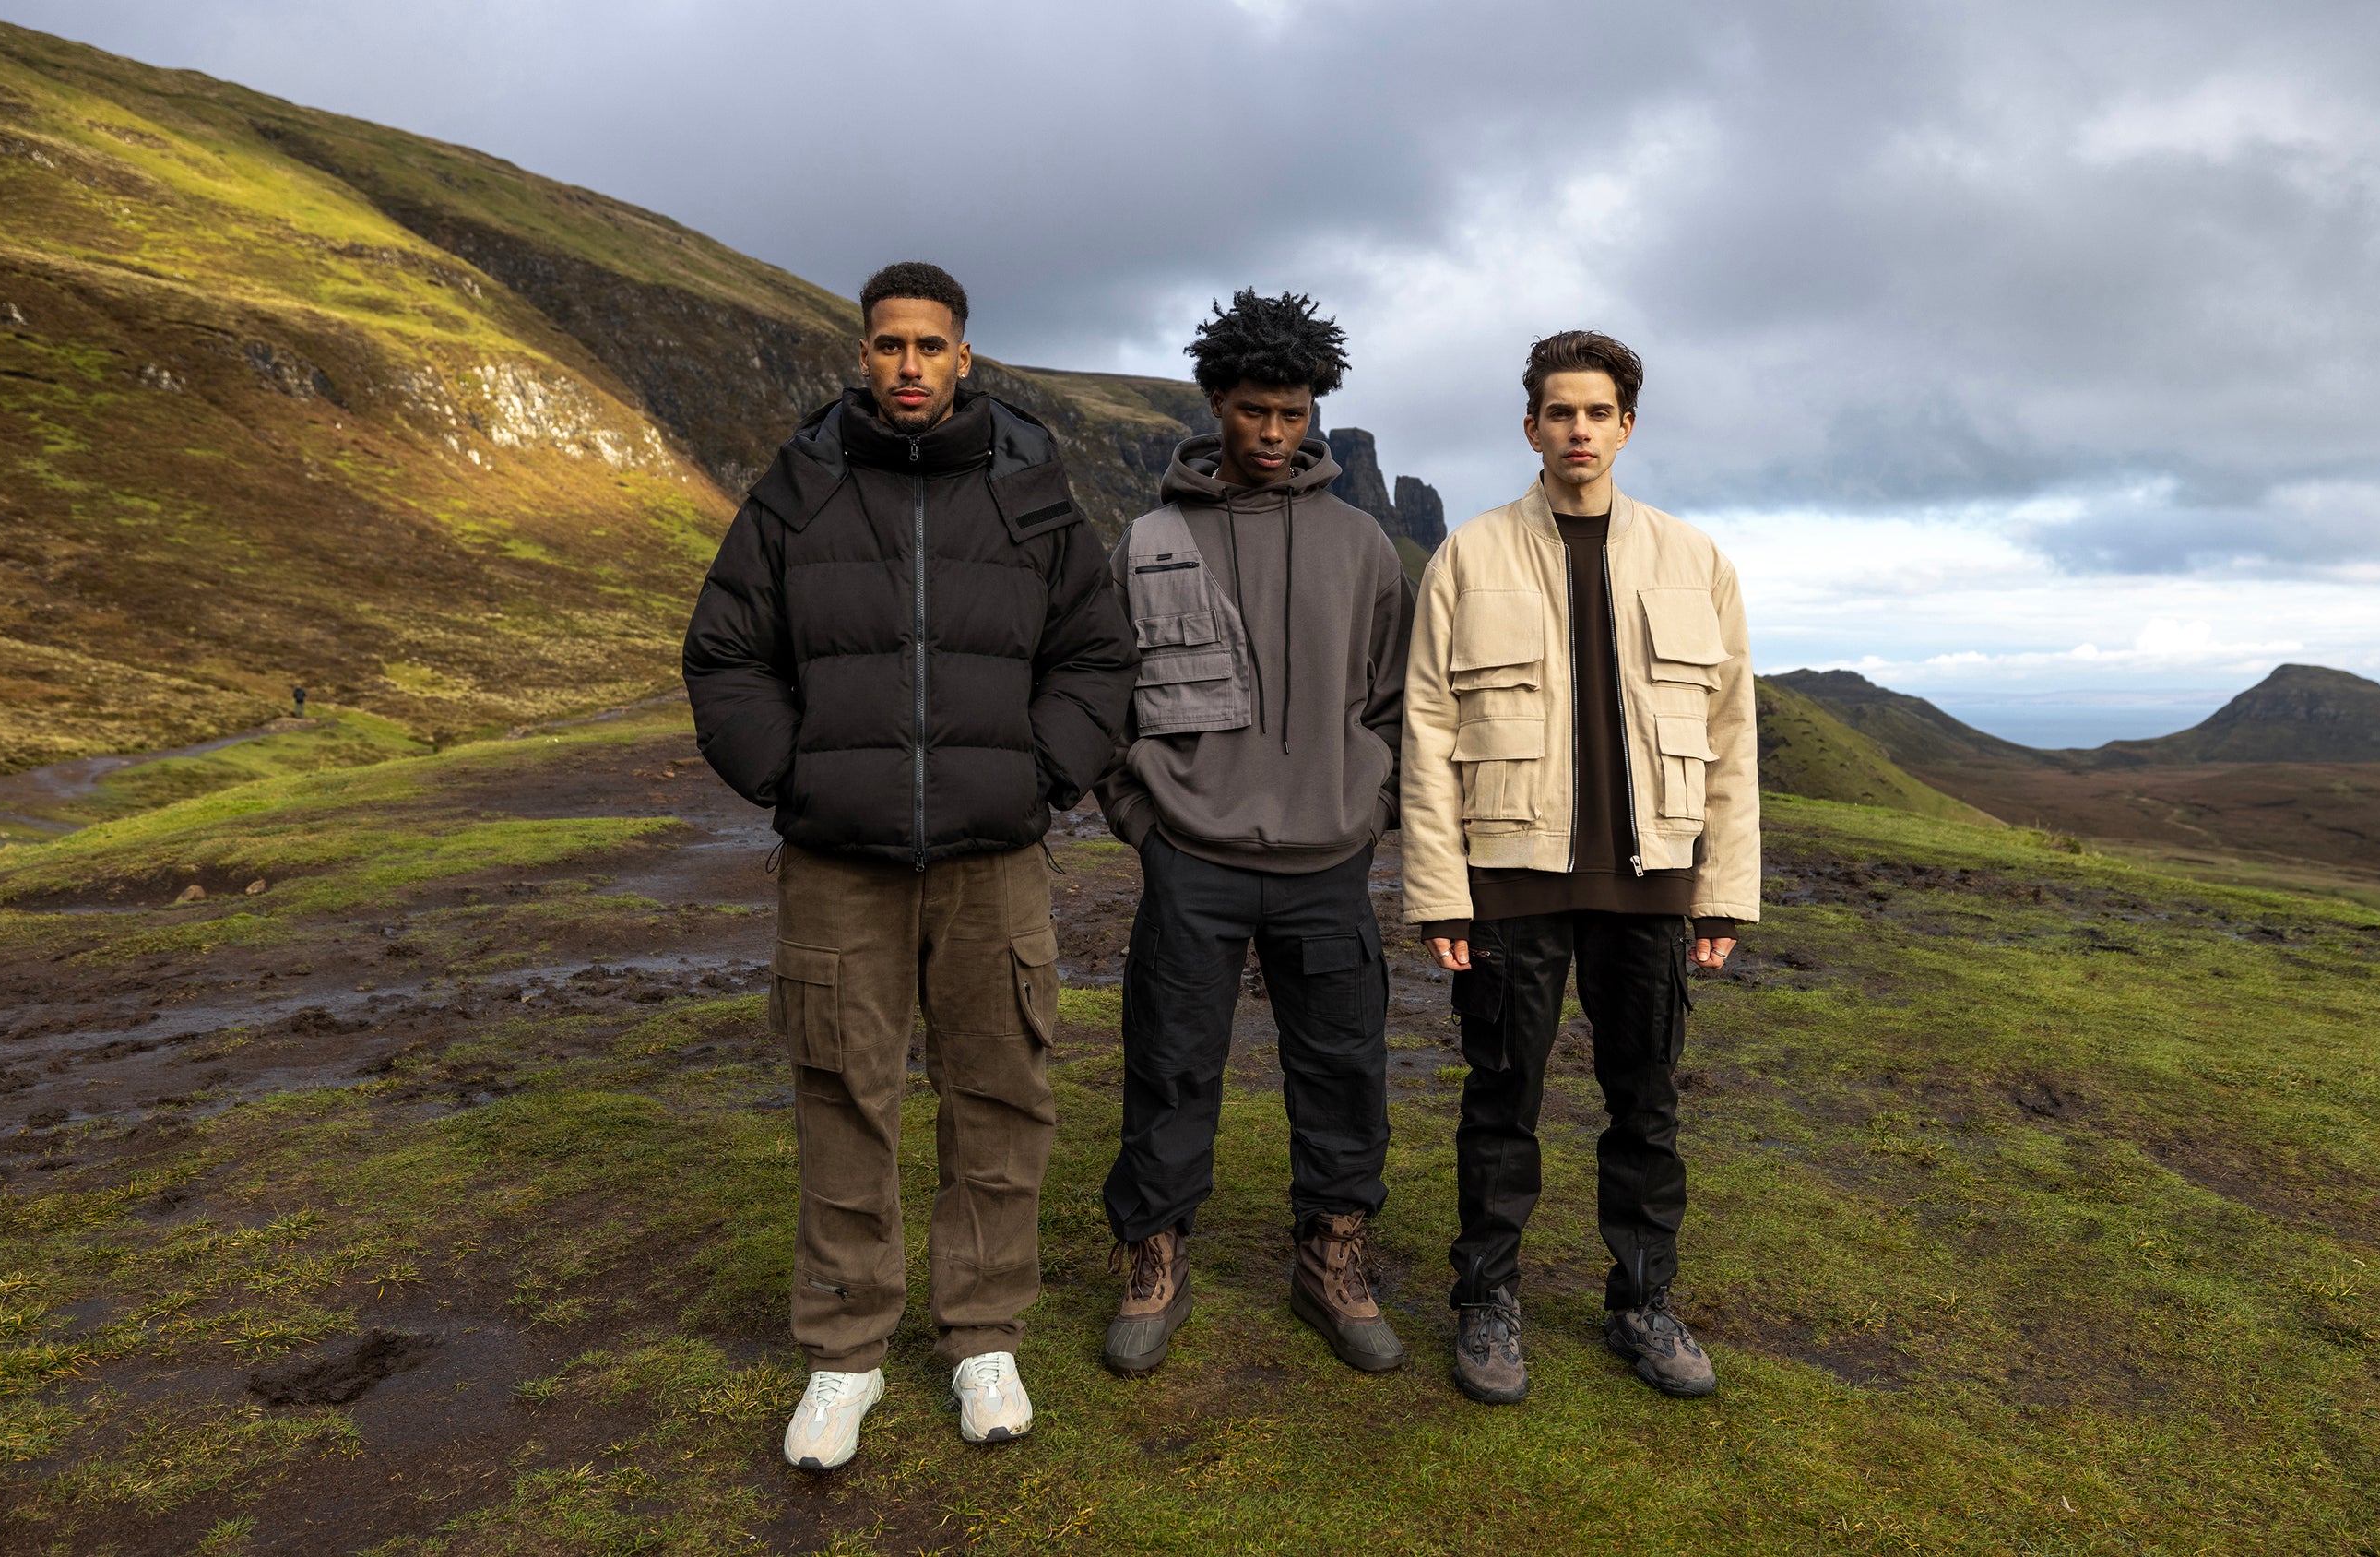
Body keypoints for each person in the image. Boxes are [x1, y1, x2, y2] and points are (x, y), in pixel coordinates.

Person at [682, 262, 1138, 1469]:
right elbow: (726, 655)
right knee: (843, 1095)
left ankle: (983, 1337)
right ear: (864, 352)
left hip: (996, 862)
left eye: (931, 346)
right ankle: (845, 1357)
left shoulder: (1033, 494)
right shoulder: (799, 493)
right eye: (890, 345)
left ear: (965, 357)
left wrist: (1039, 775)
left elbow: (1099, 656)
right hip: (839, 861)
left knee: (1002, 1095)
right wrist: (798, 776)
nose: (909, 366)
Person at [1398, 330, 1759, 1405]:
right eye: (1560, 412)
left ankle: (1641, 1300)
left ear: (1627, 426)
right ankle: (1486, 1301)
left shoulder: (1695, 561)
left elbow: (1733, 732)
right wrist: (1438, 891)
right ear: (1531, 427)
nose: (1579, 431)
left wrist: (1724, 887)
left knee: (1645, 1102)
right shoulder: (1467, 555)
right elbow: (1423, 727)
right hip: (1509, 882)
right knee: (1500, 1098)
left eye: (1598, 413)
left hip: (1653, 887)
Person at [1093, 291, 1415, 1376]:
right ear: (1215, 404)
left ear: (1316, 408)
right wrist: (1143, 821)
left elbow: (1393, 702)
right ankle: (1155, 1255)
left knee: (1343, 1067)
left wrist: (1368, 809)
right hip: (1190, 857)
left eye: (1295, 412)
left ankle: (1332, 1256)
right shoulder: (1145, 541)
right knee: (1173, 1062)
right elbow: (1106, 701)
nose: (1275, 433)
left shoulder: (1366, 543)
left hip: (1331, 859)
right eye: (1254, 411)